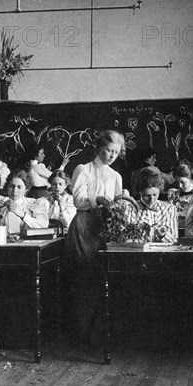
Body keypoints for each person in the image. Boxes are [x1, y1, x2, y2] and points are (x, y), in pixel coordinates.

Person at [64, 130, 126, 345]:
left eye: (116, 152)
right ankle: (81, 333)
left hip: (105, 228)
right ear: (99, 147)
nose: (111, 155)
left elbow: (118, 205)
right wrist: (97, 198)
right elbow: (78, 199)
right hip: (84, 225)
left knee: (102, 278)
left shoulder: (115, 176)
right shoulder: (84, 169)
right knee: (83, 276)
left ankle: (99, 335)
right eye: (109, 150)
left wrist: (121, 201)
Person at [0, 170, 49, 234]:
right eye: (11, 186)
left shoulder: (35, 203)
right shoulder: (1, 205)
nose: (15, 190)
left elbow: (43, 225)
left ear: (26, 189)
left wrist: (22, 215)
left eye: (19, 187)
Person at [132, 167, 178, 243]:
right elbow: (128, 239)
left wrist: (163, 235)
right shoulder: (131, 208)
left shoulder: (169, 209)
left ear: (159, 190)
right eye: (147, 196)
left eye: (155, 195)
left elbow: (174, 240)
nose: (152, 199)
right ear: (140, 192)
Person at [173, 161, 193, 230]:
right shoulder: (175, 193)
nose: (180, 186)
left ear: (192, 179)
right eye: (178, 182)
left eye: (183, 182)